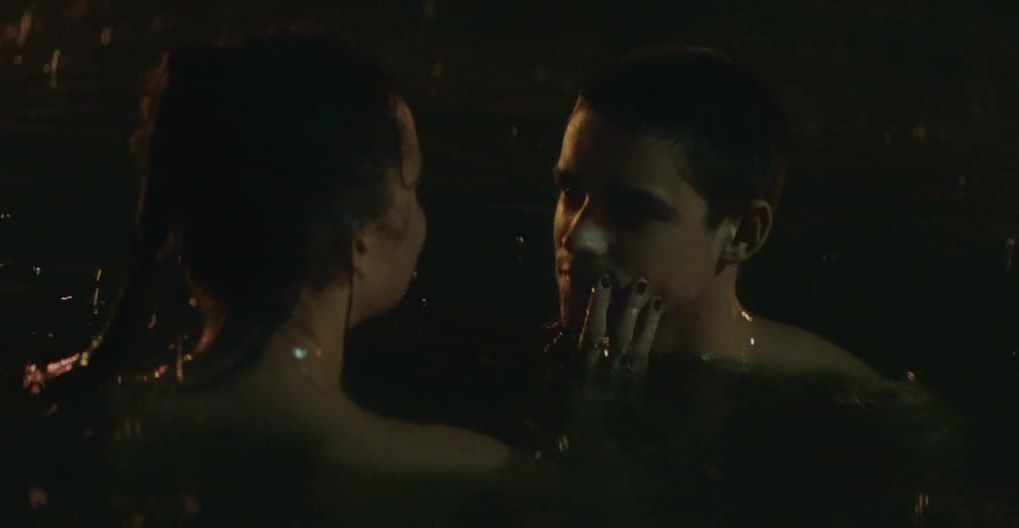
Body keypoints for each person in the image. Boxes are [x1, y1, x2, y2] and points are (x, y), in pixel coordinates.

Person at [92, 32, 632, 527]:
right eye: (413, 187)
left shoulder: (100, 408)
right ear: (361, 242)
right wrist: (595, 413)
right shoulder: (457, 471)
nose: (422, 217)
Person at [546, 45, 965, 525]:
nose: (579, 235)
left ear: (742, 234)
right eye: (570, 191)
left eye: (632, 211)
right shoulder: (532, 351)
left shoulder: (843, 409)